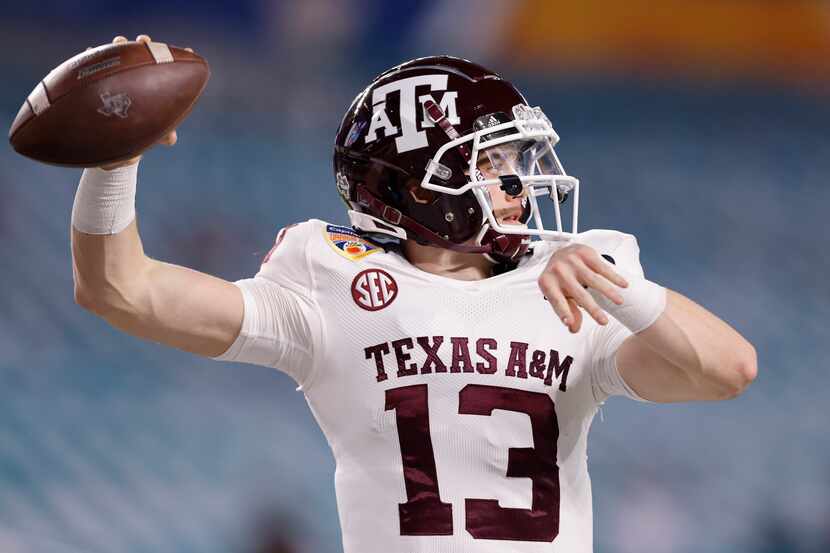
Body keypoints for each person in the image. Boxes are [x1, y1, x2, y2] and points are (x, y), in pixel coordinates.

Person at [72, 35, 757, 553]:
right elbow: (120, 289)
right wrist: (112, 161)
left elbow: (730, 370)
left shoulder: (571, 278)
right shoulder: (332, 278)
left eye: (517, 161)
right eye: (491, 164)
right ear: (418, 186)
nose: (519, 185)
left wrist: (624, 289)